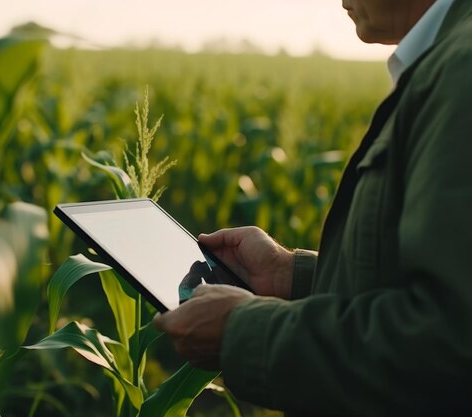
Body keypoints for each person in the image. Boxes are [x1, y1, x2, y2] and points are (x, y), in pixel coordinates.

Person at [153, 0, 472, 415]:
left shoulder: (461, 73)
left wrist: (245, 331)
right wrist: (293, 277)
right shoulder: (446, 61)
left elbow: (449, 343)